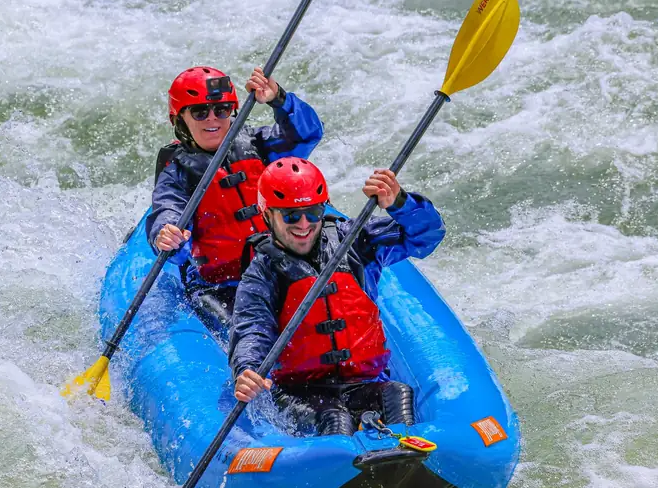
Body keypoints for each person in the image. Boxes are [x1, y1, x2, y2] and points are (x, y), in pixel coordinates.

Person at [227, 157, 445, 436]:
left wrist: (400, 202)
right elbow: (251, 329)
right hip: (300, 393)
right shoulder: (262, 273)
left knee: (397, 395)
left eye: (313, 212)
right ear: (267, 214)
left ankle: (409, 460)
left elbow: (428, 235)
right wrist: (247, 369)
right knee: (335, 420)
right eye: (291, 215)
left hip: (364, 383)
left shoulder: (354, 243)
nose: (304, 224)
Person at [146, 66, 323, 332]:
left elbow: (307, 133)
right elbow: (167, 211)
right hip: (221, 286)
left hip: (278, 266)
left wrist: (278, 98)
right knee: (247, 332)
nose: (212, 119)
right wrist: (167, 235)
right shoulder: (177, 174)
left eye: (222, 110)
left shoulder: (258, 144)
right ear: (180, 118)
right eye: (200, 112)